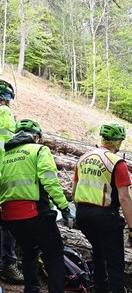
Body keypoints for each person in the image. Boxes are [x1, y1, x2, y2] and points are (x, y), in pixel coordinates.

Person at [0, 118, 73, 292]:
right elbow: (50, 182)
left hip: (10, 217)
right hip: (34, 213)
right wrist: (64, 207)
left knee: (29, 251)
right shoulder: (39, 150)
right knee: (54, 255)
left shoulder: (5, 155)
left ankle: (31, 289)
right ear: (36, 136)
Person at [72, 121, 132, 293]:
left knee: (98, 252)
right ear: (118, 141)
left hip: (82, 214)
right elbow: (125, 197)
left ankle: (99, 289)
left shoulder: (83, 158)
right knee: (115, 262)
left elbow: (74, 189)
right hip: (105, 215)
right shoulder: (116, 162)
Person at [0, 79, 24, 284]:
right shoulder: (5, 114)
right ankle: (8, 264)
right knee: (7, 223)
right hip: (2, 175)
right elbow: (8, 146)